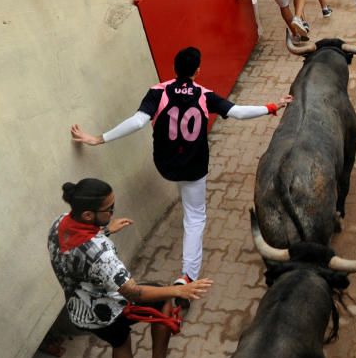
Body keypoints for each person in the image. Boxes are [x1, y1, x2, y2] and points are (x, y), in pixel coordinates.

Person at [70, 47, 292, 285]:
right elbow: (237, 112)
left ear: (175, 69)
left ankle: (187, 263)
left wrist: (98, 138)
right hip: (193, 167)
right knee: (195, 217)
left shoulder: (157, 92)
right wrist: (272, 107)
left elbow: (137, 122)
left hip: (165, 165)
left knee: (183, 189)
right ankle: (187, 276)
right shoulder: (205, 95)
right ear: (198, 70)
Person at [48, 178, 213, 358]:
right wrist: (179, 289)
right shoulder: (102, 256)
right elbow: (134, 293)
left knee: (120, 342)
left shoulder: (59, 223)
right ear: (87, 214)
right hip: (106, 312)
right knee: (162, 300)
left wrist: (105, 230)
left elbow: (79, 249)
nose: (112, 212)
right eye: (108, 209)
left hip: (79, 308)